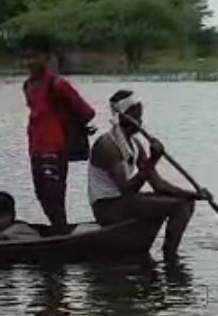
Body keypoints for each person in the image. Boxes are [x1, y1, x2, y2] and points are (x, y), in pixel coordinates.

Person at [87, 90, 208, 256]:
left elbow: (158, 184)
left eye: (141, 115)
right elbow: (127, 190)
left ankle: (168, 253)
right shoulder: (108, 146)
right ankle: (169, 256)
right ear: (124, 117)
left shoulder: (135, 144)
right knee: (179, 206)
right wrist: (153, 159)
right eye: (136, 116)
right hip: (108, 208)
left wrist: (194, 195)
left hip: (123, 202)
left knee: (185, 202)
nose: (141, 121)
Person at [20, 31, 97, 234]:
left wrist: (67, 121)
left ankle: (62, 233)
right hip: (35, 149)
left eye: (35, 56)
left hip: (55, 147)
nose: (30, 61)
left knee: (53, 194)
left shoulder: (58, 85)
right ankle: (60, 231)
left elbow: (87, 112)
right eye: (26, 57)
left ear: (46, 57)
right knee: (42, 195)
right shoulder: (28, 86)